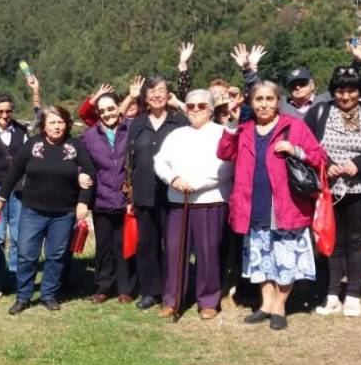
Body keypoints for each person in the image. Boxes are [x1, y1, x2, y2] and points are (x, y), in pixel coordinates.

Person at [218, 81, 327, 330]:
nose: (264, 104)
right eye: (259, 99)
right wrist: (232, 124)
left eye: (269, 99)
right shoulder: (244, 129)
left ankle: (280, 306)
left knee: (285, 259)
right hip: (253, 205)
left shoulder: (294, 127)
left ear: (278, 102)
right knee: (261, 258)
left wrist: (295, 150)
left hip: (286, 206)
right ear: (252, 103)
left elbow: (319, 156)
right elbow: (224, 153)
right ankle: (265, 304)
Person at [305, 66, 361, 317]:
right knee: (331, 242)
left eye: (351, 91)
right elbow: (308, 145)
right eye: (341, 91)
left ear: (359, 91)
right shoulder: (320, 112)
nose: (346, 97)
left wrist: (359, 164)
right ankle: (332, 294)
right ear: (333, 92)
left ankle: (353, 294)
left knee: (355, 241)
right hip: (329, 190)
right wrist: (328, 165)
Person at [0, 105, 96, 314]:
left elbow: (89, 173)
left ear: (67, 124)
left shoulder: (74, 146)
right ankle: (23, 297)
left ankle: (49, 294)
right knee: (26, 255)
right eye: (52, 122)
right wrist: (2, 197)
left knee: (56, 256)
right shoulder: (33, 145)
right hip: (32, 211)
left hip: (64, 213)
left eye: (60, 122)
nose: (57, 127)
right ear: (43, 125)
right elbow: (14, 171)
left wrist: (83, 201)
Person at [154, 90, 235, 320]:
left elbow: (227, 166)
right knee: (174, 251)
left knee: (208, 252)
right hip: (179, 201)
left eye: (201, 105)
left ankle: (208, 300)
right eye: (190, 106)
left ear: (210, 109)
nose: (195, 110)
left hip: (210, 201)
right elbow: (160, 161)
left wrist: (198, 184)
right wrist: (174, 179)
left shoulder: (223, 132)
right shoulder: (176, 134)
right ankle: (172, 299)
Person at [126, 71, 189, 310]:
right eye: (151, 92)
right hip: (143, 193)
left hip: (172, 193)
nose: (156, 95)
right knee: (147, 244)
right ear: (145, 97)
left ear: (168, 94)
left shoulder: (179, 121)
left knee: (172, 244)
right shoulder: (137, 124)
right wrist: (130, 194)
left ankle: (172, 290)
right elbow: (129, 161)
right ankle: (150, 291)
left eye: (161, 90)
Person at [0, 88, 38, 297]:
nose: (5, 116)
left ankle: (14, 276)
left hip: (19, 189)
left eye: (8, 111)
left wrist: (35, 93)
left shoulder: (21, 131)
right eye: (0, 112)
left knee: (17, 236)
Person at [80, 90, 134, 304]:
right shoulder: (89, 136)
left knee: (125, 245)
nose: (107, 113)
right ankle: (104, 286)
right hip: (102, 198)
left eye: (111, 108)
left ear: (118, 108)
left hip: (125, 199)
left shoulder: (131, 129)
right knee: (103, 246)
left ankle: (125, 288)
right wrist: (81, 176)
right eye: (102, 111)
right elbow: (82, 163)